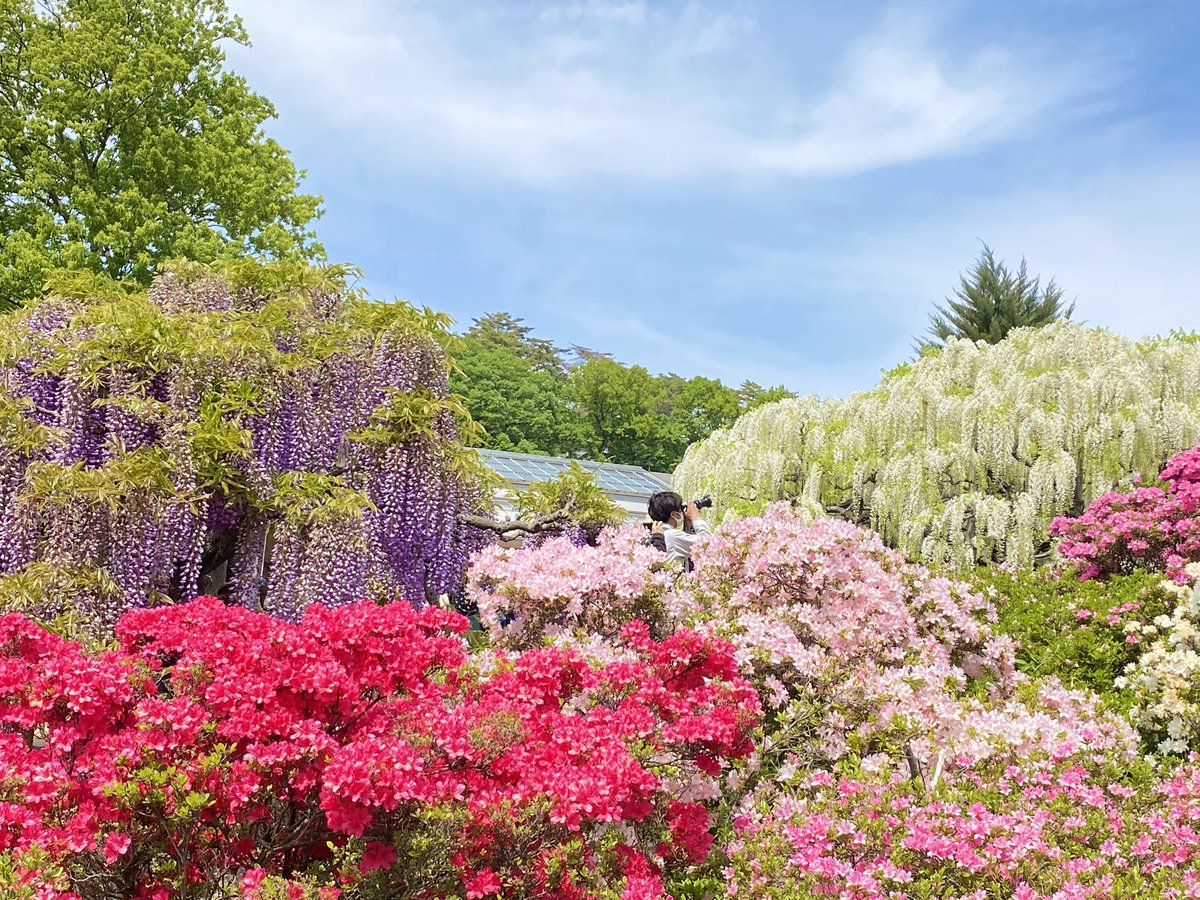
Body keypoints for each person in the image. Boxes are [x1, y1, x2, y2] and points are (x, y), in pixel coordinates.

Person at [647, 491, 709, 569]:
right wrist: (695, 518)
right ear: (674, 514)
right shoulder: (672, 535)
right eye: (681, 508)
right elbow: (707, 543)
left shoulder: (658, 533)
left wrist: (688, 525)